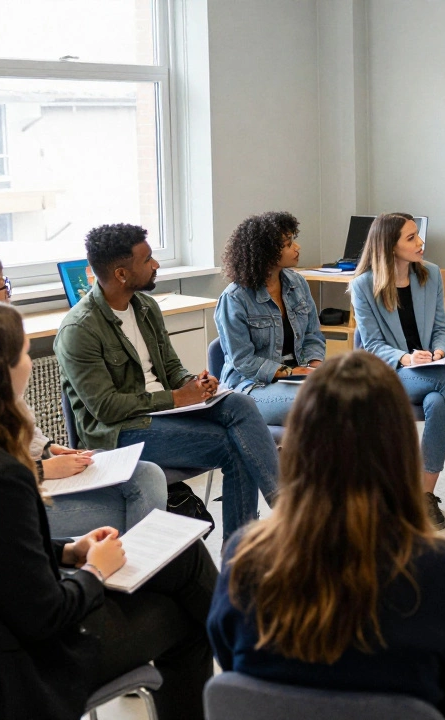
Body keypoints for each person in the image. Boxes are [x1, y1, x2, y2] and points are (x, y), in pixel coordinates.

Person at [0, 301, 217, 720]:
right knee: (183, 617)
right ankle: (259, 662)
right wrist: (94, 571)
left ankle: (254, 657)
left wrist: (67, 552)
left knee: (182, 557)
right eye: (24, 354)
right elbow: (48, 615)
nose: (29, 361)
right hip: (31, 666)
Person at [208, 351, 445, 720]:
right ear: (399, 449)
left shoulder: (244, 558)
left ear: (298, 446)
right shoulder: (441, 574)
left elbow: (233, 667)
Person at [0, 249, 166, 536]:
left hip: (25, 479)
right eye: (3, 286)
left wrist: (48, 449)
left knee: (147, 474)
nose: (9, 294)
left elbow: (16, 425)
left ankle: (141, 567)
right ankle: (137, 571)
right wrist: (41, 469)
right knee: (143, 502)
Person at [55, 223, 279, 540]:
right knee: (235, 446)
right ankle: (243, 551)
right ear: (121, 274)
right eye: (147, 260)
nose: (156, 264)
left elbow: (171, 367)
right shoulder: (79, 329)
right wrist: (177, 398)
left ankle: (281, 512)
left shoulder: (146, 308)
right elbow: (106, 408)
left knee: (239, 403)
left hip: (164, 413)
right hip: (118, 432)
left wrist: (194, 384)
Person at [350, 212, 445, 528]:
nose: (420, 243)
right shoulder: (363, 286)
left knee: (437, 402)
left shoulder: (430, 275)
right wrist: (407, 358)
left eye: (418, 235)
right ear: (389, 246)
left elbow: (441, 328)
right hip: (388, 374)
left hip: (430, 373)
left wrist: (440, 350)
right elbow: (371, 345)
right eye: (411, 238)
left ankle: (423, 496)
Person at [215, 211, 326, 425]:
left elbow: (313, 336)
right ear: (265, 253)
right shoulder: (234, 298)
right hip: (251, 387)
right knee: (316, 403)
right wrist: (290, 372)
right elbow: (243, 361)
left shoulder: (298, 284)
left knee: (351, 395)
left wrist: (315, 367)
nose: (297, 247)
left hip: (298, 377)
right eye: (287, 244)